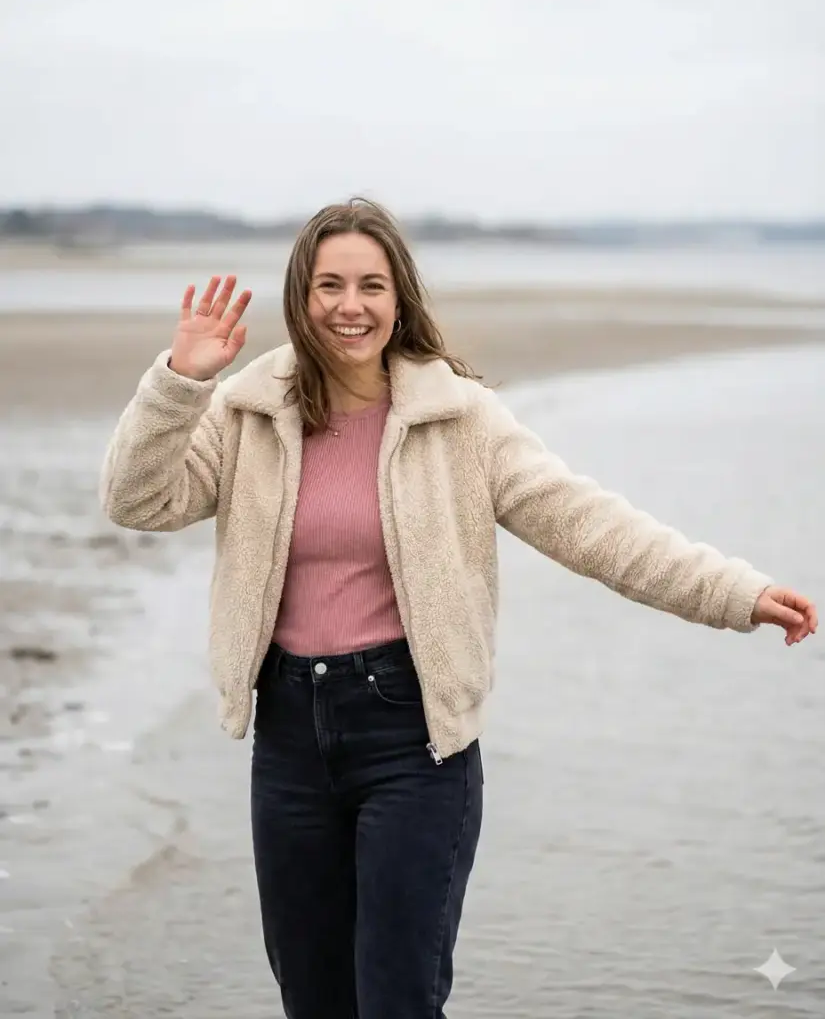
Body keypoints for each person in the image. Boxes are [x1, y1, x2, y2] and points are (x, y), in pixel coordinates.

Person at [99, 197, 817, 1019]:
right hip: (289, 738)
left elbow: (588, 525)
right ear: (300, 297)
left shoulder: (459, 420)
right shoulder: (248, 412)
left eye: (371, 285)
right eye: (328, 285)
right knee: (313, 999)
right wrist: (181, 382)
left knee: (398, 999)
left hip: (413, 738)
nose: (349, 305)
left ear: (398, 297)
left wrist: (733, 592)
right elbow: (137, 500)